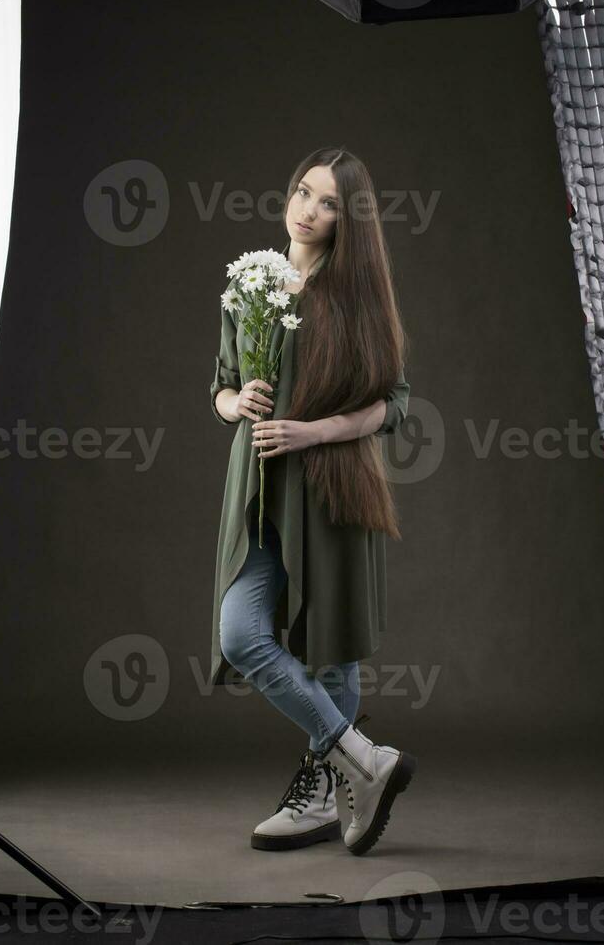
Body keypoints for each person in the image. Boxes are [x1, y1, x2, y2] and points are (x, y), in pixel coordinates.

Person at [210, 146, 416, 856]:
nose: (308, 209)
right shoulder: (255, 282)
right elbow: (220, 384)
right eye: (303, 191)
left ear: (347, 219)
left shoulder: (352, 292)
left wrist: (318, 429)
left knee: (332, 657)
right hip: (258, 492)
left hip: (328, 490)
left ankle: (324, 792)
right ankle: (362, 758)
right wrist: (239, 401)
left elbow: (396, 402)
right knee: (242, 634)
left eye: (328, 202)